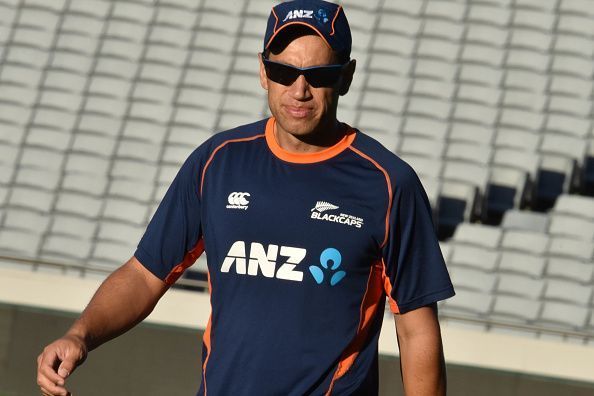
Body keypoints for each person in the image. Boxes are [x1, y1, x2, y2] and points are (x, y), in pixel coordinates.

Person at [37, 1, 455, 395]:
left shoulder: (387, 182)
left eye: (320, 74)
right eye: (283, 72)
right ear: (262, 71)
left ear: (346, 76)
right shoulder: (217, 162)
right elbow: (145, 274)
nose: (300, 89)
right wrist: (80, 334)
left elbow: (416, 330)